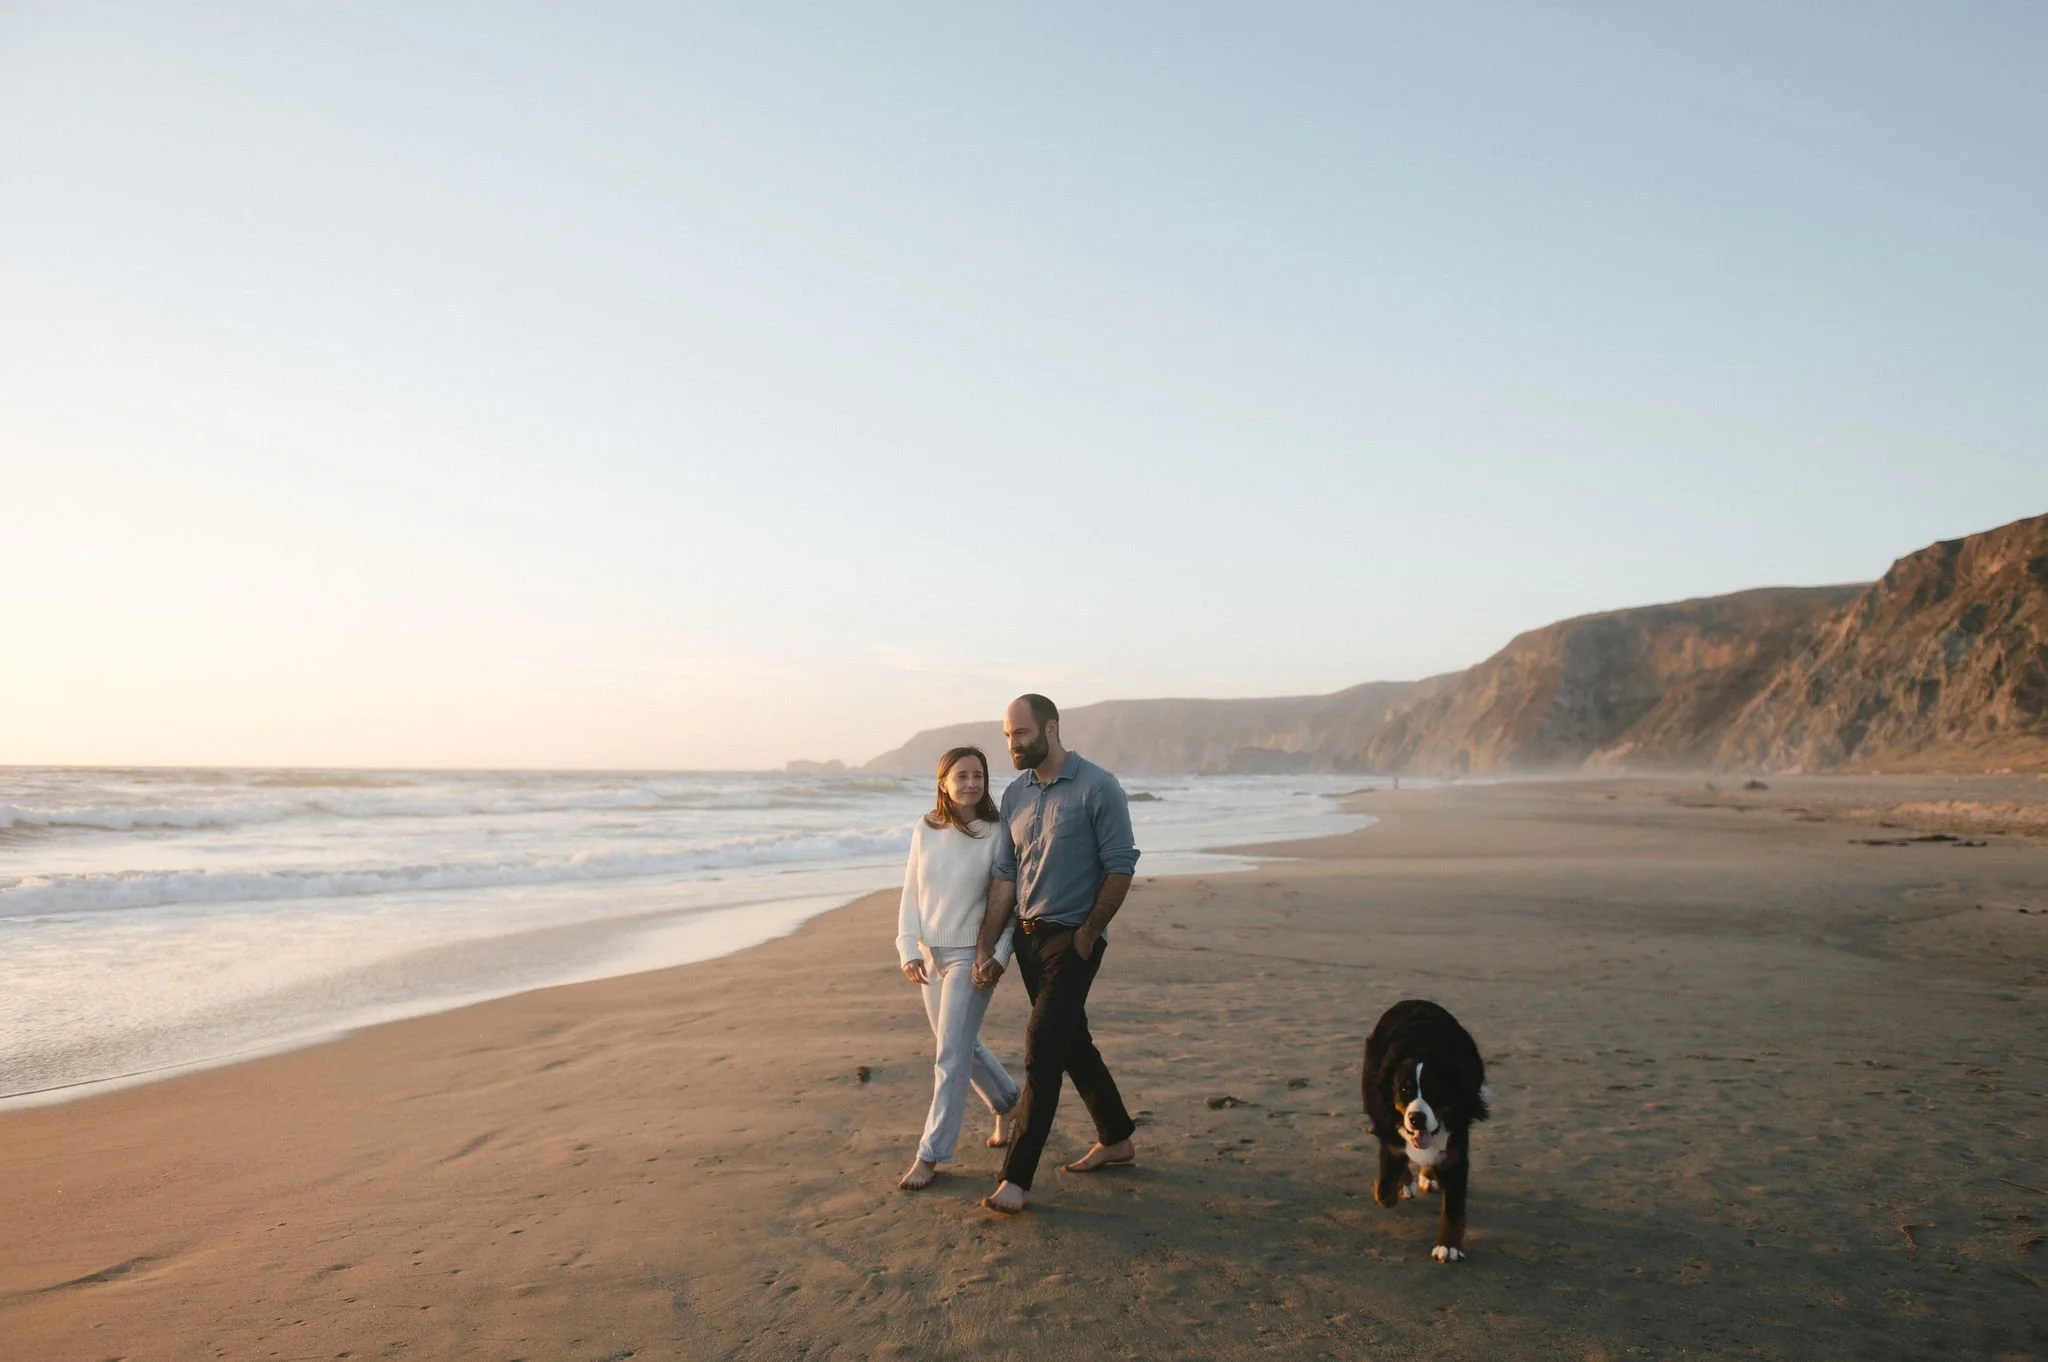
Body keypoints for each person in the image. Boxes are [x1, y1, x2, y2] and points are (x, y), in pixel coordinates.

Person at [972, 694, 1140, 1214]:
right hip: (1027, 938)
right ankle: (1116, 1137)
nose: (1012, 744)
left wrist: (1090, 933)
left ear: (1051, 728)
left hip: (1074, 940)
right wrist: (988, 945)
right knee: (1072, 1044)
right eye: (1006, 736)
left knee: (1042, 1048)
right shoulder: (1015, 793)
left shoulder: (1098, 786)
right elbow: (1005, 876)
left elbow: (1121, 866)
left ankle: (1016, 1180)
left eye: (1019, 734)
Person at [893, 745, 1021, 1191]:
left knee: (949, 1056)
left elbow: (1009, 904)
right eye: (961, 776)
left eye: (978, 776)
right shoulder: (924, 829)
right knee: (961, 1045)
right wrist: (907, 944)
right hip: (933, 956)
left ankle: (930, 1155)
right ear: (943, 782)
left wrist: (998, 956)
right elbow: (911, 891)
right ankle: (1009, 1102)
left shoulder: (998, 832)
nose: (970, 783)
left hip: (973, 957)